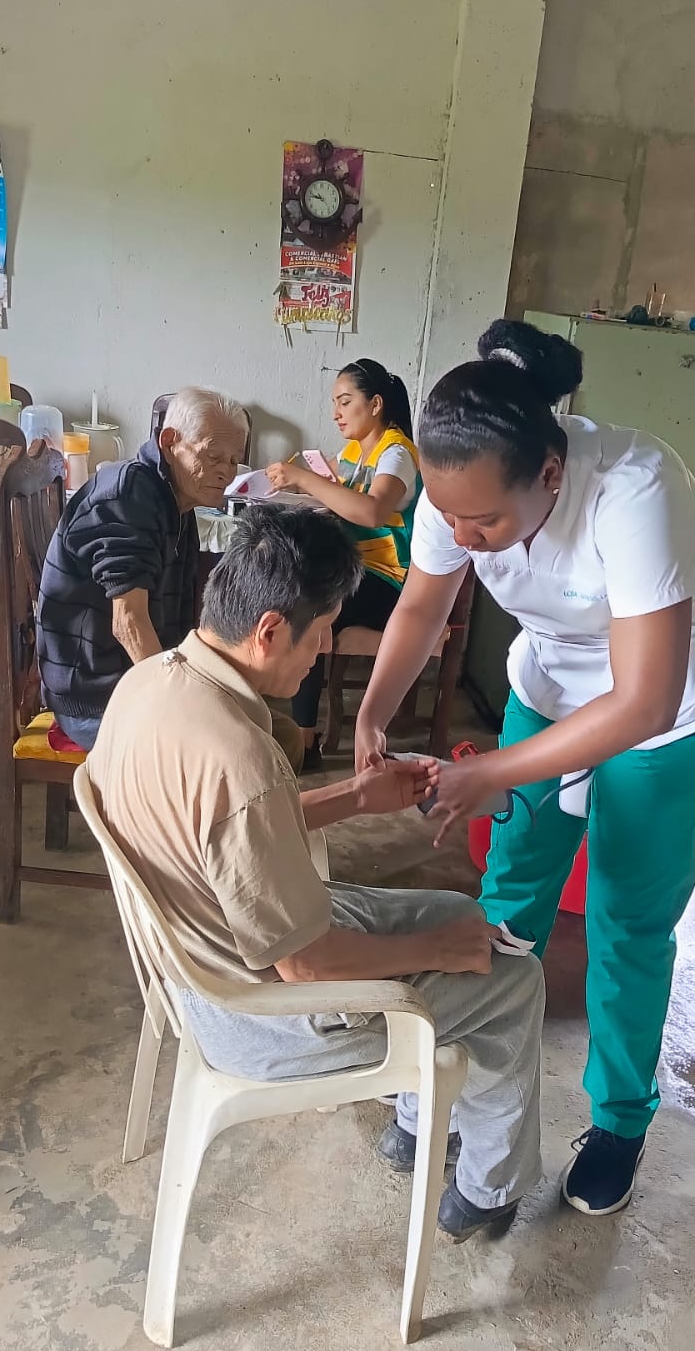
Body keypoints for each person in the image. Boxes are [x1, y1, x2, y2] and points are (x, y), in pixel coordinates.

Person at [87, 504, 545, 1242]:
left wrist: (356, 797)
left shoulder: (151, 683)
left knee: (455, 913)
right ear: (270, 630)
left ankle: (416, 1124)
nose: (326, 649)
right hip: (255, 1014)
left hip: (205, 954)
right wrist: (439, 952)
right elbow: (306, 965)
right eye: (324, 629)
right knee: (511, 976)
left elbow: (227, 828)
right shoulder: (240, 756)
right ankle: (487, 1191)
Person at [355, 318, 695, 1218]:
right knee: (509, 898)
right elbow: (422, 606)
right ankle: (461, 1078)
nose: (464, 536)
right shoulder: (459, 487)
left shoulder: (636, 487)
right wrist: (372, 711)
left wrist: (499, 769)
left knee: (627, 923)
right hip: (547, 689)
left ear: (550, 474)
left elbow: (645, 699)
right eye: (450, 518)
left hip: (664, 721)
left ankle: (618, 1123)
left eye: (486, 523)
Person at [37, 386, 303, 771]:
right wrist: (177, 706)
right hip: (97, 700)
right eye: (213, 456)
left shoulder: (177, 501)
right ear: (170, 441)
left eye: (234, 461)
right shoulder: (129, 495)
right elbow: (128, 622)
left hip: (134, 682)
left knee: (278, 731)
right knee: (252, 749)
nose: (226, 472)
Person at [265, 359, 421, 766]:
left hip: (388, 581)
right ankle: (291, 726)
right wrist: (291, 482)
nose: (336, 412)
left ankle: (303, 742)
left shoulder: (396, 453)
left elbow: (372, 511)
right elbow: (328, 491)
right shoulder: (354, 450)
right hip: (354, 572)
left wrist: (304, 479)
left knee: (308, 605)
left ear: (375, 405)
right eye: (335, 402)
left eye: (345, 401)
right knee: (288, 588)